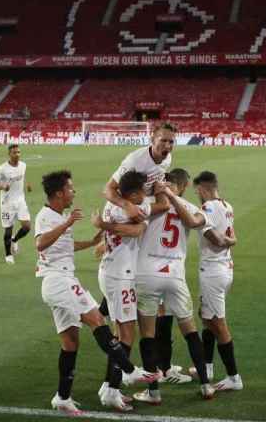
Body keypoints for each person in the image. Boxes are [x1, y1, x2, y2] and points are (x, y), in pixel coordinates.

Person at [35, 169, 158, 415]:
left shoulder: (59, 214)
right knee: (97, 319)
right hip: (59, 280)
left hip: (62, 278)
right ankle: (129, 370)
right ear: (59, 193)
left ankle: (62, 397)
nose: (74, 191)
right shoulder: (47, 216)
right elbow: (40, 243)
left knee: (70, 342)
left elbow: (65, 245)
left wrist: (92, 242)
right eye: (70, 188)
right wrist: (67, 224)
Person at [103, 168, 217, 403]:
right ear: (183, 186)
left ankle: (153, 392)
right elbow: (198, 222)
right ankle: (206, 385)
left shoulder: (147, 206)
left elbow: (126, 218)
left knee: (147, 334)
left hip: (146, 274)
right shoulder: (187, 207)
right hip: (175, 274)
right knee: (190, 330)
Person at [192, 171, 242, 392]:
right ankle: (208, 366)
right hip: (224, 268)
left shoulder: (207, 209)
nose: (197, 196)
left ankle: (234, 377)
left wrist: (226, 240)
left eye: (197, 192)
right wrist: (231, 241)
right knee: (206, 317)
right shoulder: (227, 205)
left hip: (213, 271)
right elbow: (232, 238)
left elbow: (215, 238)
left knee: (218, 324)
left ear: (202, 189)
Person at [103, 123, 175, 222]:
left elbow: (156, 180)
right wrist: (127, 206)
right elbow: (108, 189)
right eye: (163, 140)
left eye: (171, 142)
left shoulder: (168, 158)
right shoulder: (135, 161)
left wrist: (160, 185)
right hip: (122, 208)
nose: (167, 146)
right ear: (152, 139)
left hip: (144, 202)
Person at [0, 144, 33, 264]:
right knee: (8, 230)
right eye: (14, 152)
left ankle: (15, 239)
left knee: (27, 227)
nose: (17, 154)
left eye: (18, 152)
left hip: (20, 200)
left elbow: (22, 176)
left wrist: (27, 185)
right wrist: (2, 186)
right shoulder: (2, 168)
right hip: (7, 203)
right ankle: (8, 254)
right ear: (9, 154)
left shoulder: (23, 165)